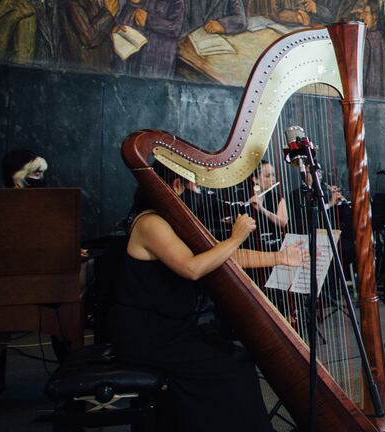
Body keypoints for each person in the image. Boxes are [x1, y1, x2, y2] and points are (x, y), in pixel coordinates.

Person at [111, 179, 306, 432]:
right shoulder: (151, 223)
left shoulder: (170, 221)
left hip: (173, 329)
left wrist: (280, 257)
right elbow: (193, 268)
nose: (200, 192)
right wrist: (236, 237)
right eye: (195, 185)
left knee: (240, 359)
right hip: (148, 335)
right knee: (230, 371)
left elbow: (220, 256)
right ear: (176, 185)